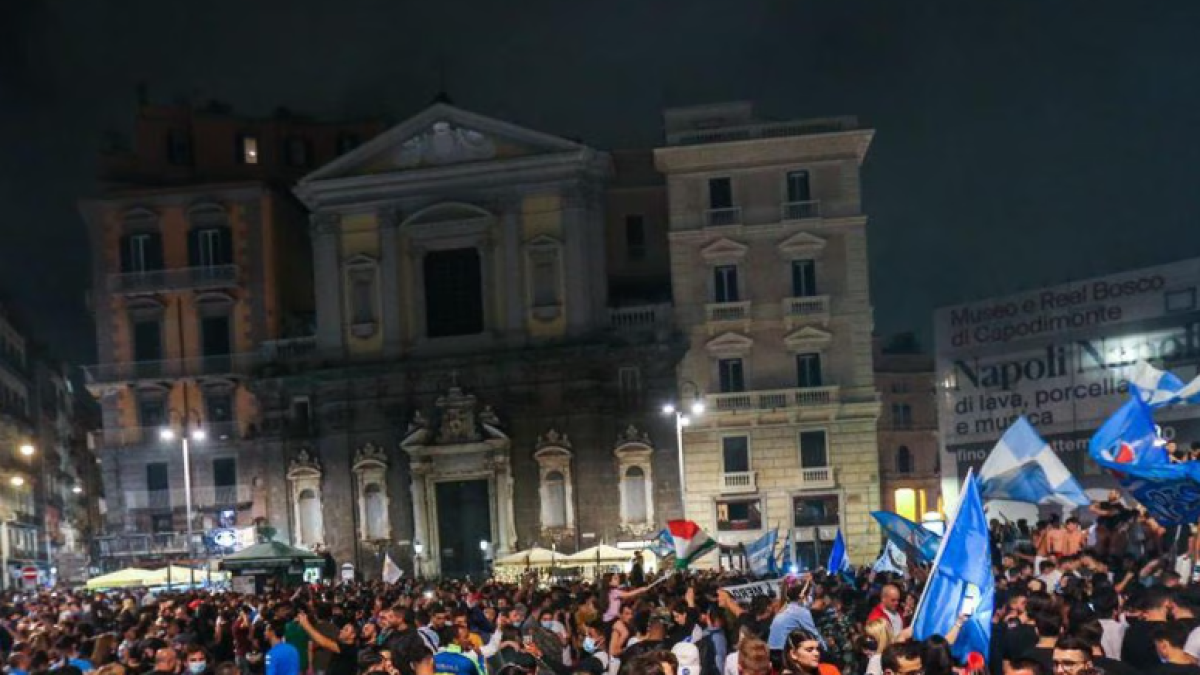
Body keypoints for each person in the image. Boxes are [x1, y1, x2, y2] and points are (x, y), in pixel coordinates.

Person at [768, 583, 825, 666]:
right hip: (783, 654)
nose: (810, 598)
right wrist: (826, 651)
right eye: (809, 595)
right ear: (802, 596)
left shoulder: (785, 607)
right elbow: (813, 634)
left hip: (773, 652)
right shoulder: (800, 611)